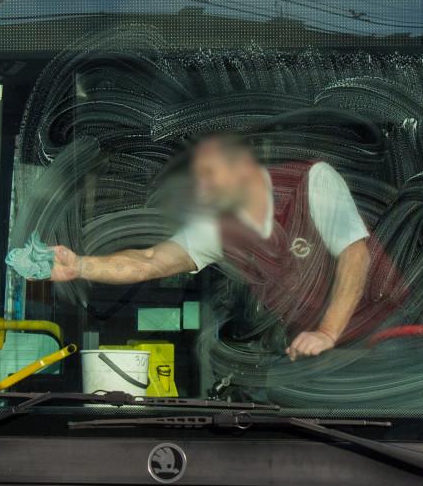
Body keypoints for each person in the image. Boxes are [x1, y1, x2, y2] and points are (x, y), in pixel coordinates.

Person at [49, 134, 404, 359]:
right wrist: (81, 266)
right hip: (317, 352)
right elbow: (151, 259)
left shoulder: (313, 181)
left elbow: (355, 256)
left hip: (389, 337)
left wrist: (328, 332)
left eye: (209, 177)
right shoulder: (218, 224)